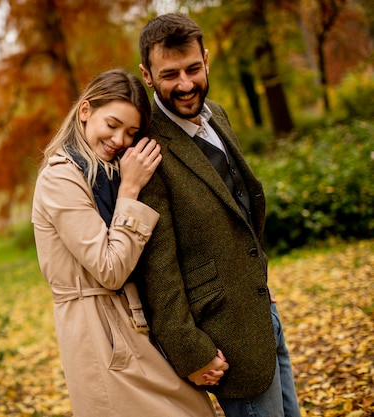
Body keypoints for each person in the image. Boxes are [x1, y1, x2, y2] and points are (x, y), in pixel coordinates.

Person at [134, 13, 301, 417]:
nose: (186, 84)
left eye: (193, 68)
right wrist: (191, 350)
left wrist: (257, 275)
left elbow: (240, 207)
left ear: (206, 60)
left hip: (262, 310)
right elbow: (158, 267)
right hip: (222, 339)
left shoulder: (218, 116)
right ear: (147, 75)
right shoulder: (148, 148)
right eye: (170, 74)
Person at [32, 68, 218, 417]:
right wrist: (131, 190)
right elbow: (109, 268)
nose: (120, 139)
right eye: (113, 124)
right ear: (85, 111)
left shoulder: (108, 172)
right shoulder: (61, 177)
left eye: (131, 132)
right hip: (98, 330)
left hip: (132, 322)